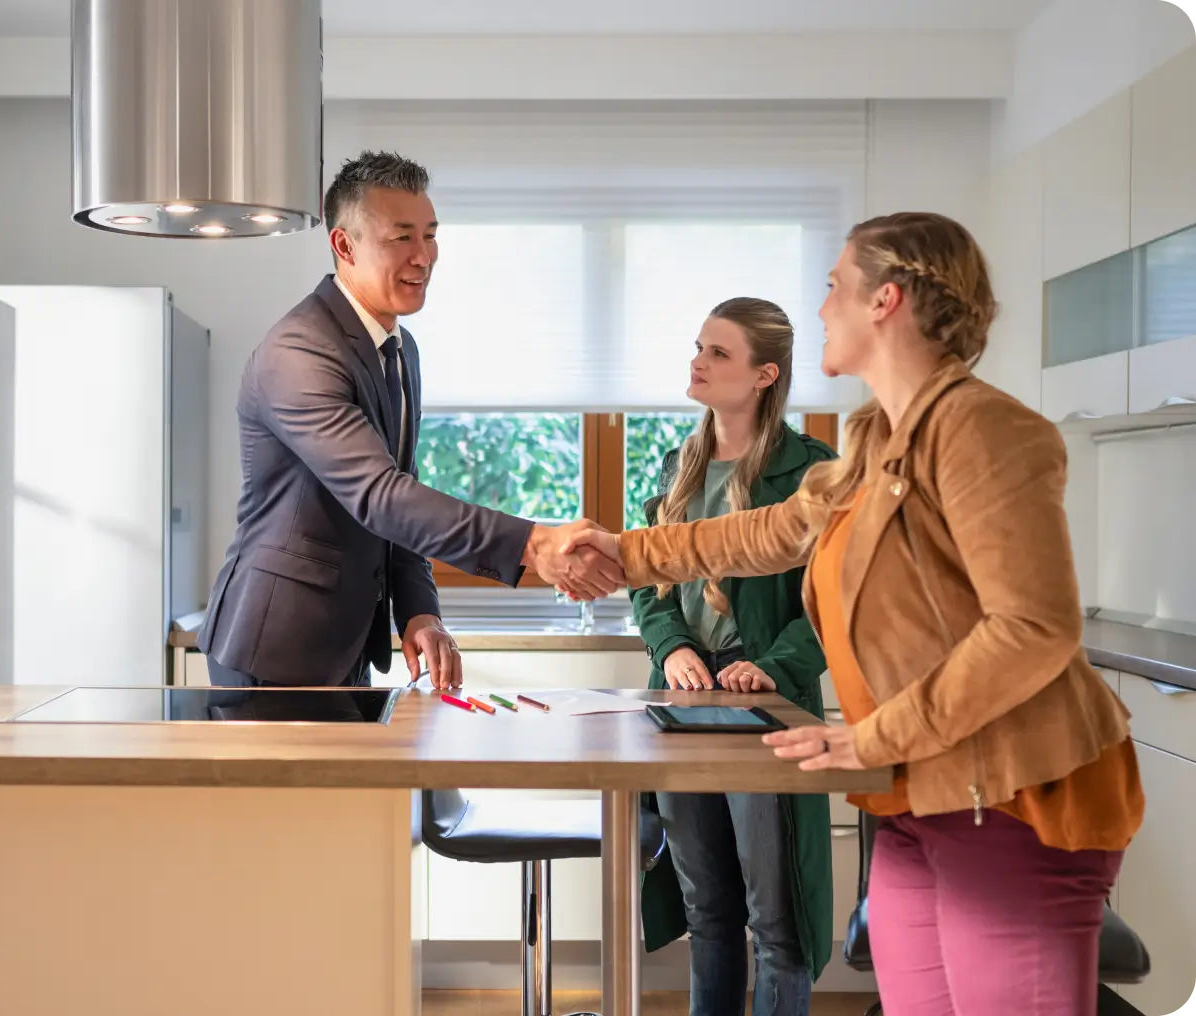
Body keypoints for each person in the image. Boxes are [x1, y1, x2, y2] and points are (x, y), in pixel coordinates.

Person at [564, 212, 1145, 1016]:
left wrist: (868, 738)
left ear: (887, 301)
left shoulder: (985, 429)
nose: (823, 306)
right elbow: (766, 533)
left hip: (1013, 801)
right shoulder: (874, 440)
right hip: (917, 796)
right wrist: (623, 552)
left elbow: (1033, 627)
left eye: (835, 285)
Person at [199, 151, 620, 691]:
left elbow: (401, 486)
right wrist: (534, 546)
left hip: (345, 640)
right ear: (344, 246)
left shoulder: (400, 348)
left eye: (430, 234)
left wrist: (418, 609)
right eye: (401, 237)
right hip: (275, 644)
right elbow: (381, 495)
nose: (423, 256)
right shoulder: (300, 350)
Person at [631, 297, 835, 1016]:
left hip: (766, 709)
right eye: (698, 347)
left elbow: (834, 603)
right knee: (706, 912)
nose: (698, 361)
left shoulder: (814, 470)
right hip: (682, 703)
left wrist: (771, 665)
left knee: (776, 924)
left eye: (718, 353)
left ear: (763, 375)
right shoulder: (674, 465)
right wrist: (673, 644)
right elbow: (648, 585)